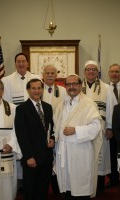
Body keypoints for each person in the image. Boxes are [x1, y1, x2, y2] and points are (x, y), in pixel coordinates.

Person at [54, 74, 103, 199]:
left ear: (80, 85)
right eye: (68, 84)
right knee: (67, 189)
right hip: (64, 150)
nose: (71, 87)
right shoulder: (63, 103)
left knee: (80, 187)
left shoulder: (88, 103)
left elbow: (96, 127)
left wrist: (75, 130)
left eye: (74, 84)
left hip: (80, 152)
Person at [1, 52, 41, 191]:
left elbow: (39, 99)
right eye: (18, 61)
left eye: (24, 61)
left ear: (28, 63)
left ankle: (30, 180)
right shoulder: (7, 80)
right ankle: (19, 181)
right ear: (15, 63)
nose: (21, 63)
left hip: (34, 121)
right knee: (18, 147)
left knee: (31, 147)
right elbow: (6, 103)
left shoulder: (36, 78)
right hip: (16, 121)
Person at [15, 78, 55, 200]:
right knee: (30, 189)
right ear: (28, 90)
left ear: (42, 90)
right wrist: (28, 156)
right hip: (31, 158)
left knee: (43, 189)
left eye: (39, 88)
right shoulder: (22, 109)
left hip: (46, 157)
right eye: (33, 88)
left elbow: (51, 127)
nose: (37, 91)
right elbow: (21, 135)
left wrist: (52, 138)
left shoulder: (48, 107)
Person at [82, 60, 116, 196]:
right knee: (84, 160)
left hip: (100, 131)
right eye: (88, 69)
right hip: (83, 131)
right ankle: (84, 189)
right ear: (84, 72)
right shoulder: (78, 87)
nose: (91, 71)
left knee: (99, 161)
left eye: (94, 69)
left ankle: (99, 189)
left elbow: (112, 109)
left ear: (97, 72)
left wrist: (110, 127)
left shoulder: (107, 88)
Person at [42, 64, 66, 196]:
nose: (50, 75)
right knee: (46, 160)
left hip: (58, 130)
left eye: (52, 73)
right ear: (43, 75)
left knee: (58, 160)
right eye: (47, 73)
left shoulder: (63, 91)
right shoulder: (38, 89)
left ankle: (58, 189)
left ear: (56, 75)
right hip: (43, 131)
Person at [106, 63, 120, 188]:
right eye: (112, 71)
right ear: (108, 73)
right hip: (111, 128)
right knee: (112, 154)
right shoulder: (103, 88)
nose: (114, 74)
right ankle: (113, 178)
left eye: (117, 72)